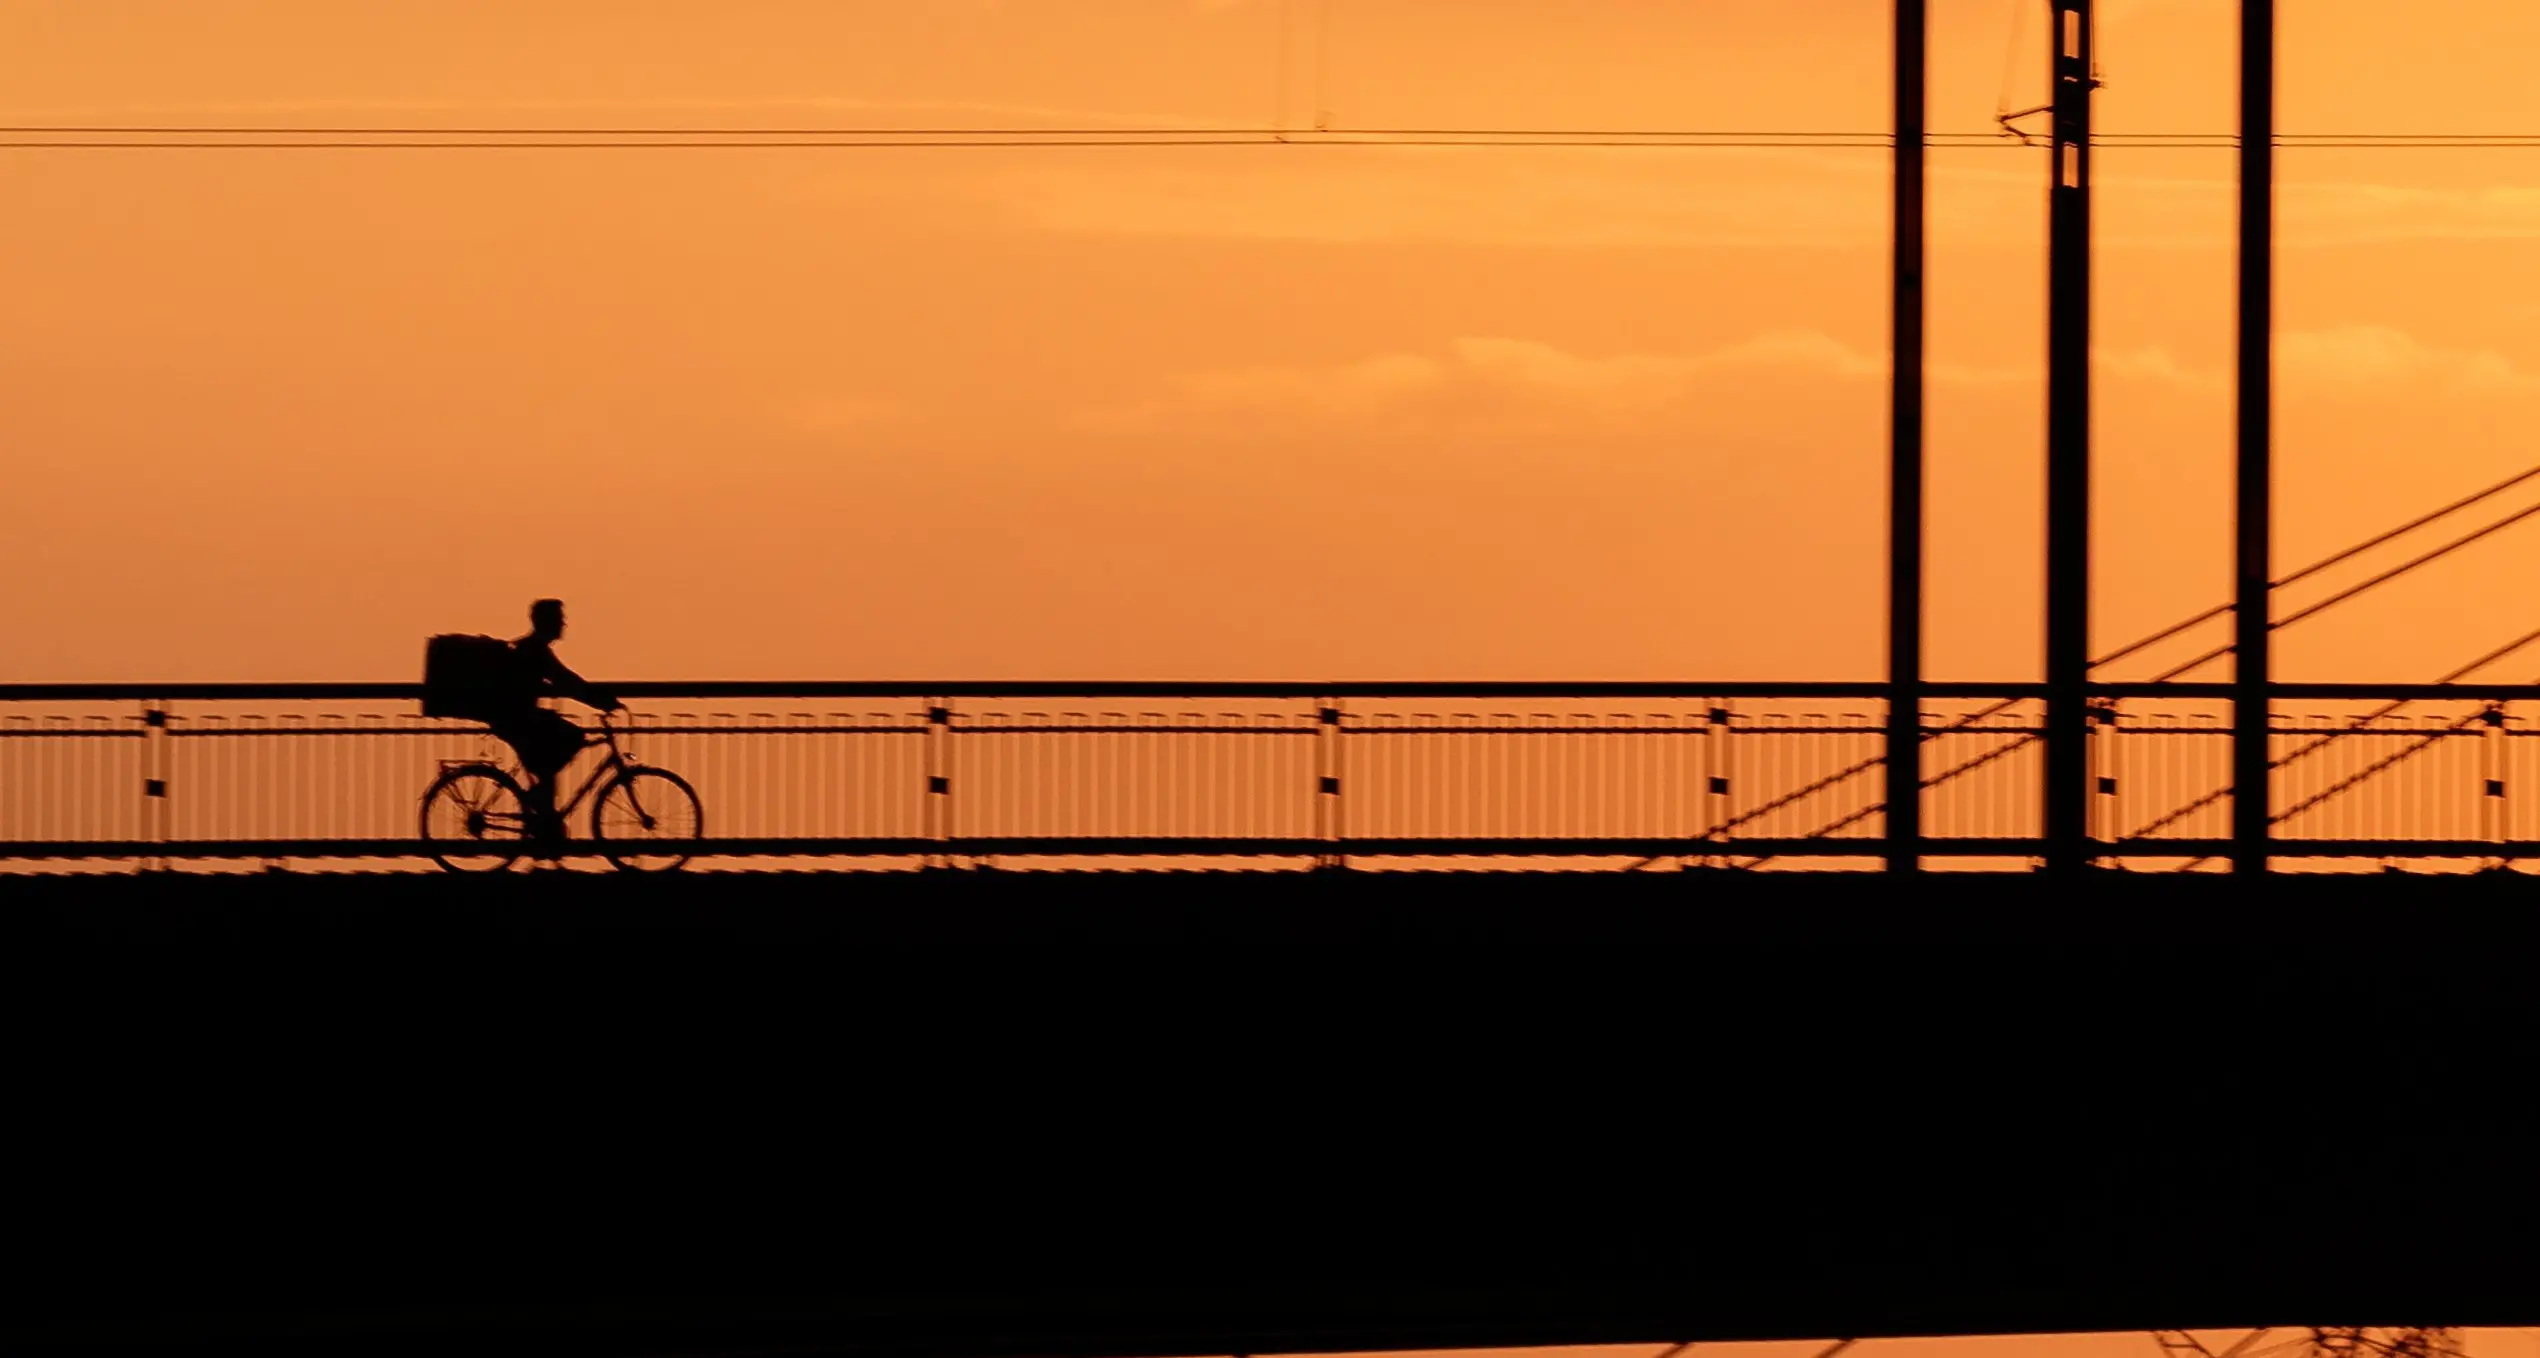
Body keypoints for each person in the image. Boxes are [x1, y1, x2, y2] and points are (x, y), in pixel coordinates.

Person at [486, 598, 621, 839]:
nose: (564, 623)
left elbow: (565, 680)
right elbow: (565, 681)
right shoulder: (536, 650)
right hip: (517, 720)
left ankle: (544, 819)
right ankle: (539, 805)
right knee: (572, 737)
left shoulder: (532, 648)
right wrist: (602, 702)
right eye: (559, 618)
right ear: (547, 622)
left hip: (515, 718)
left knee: (553, 754)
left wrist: (596, 698)